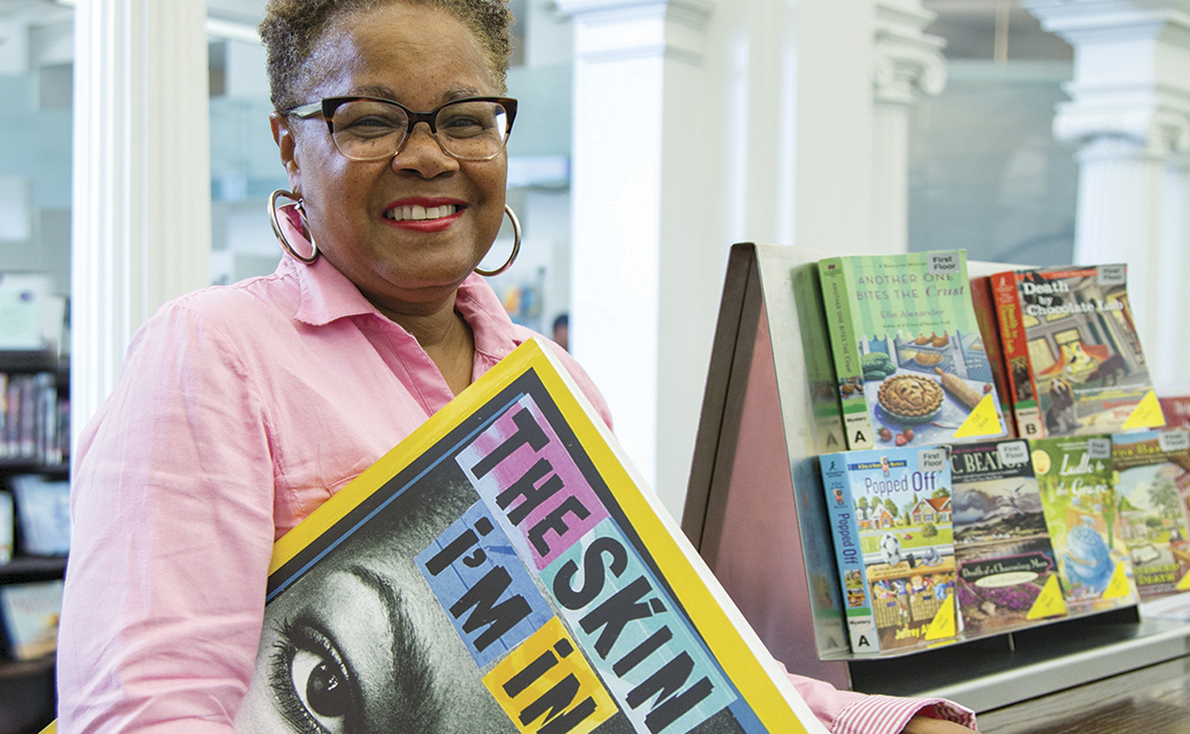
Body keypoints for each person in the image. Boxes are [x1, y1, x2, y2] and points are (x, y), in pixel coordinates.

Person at [55, 1, 979, 733]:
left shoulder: (554, 382)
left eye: (465, 119)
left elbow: (679, 660)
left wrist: (889, 726)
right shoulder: (214, 353)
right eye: (369, 121)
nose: (427, 156)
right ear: (290, 142)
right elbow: (144, 710)